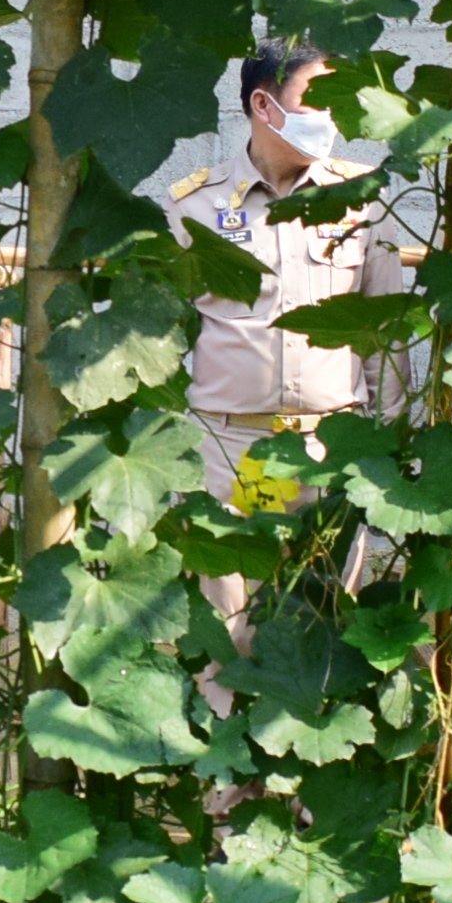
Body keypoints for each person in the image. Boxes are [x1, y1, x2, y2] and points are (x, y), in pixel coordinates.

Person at [162, 44, 394, 625]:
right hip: (230, 451)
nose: (331, 118)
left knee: (325, 630)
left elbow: (381, 333)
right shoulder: (196, 207)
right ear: (263, 105)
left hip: (329, 447)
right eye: (315, 101)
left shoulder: (361, 200)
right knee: (226, 631)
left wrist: (387, 449)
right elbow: (167, 334)